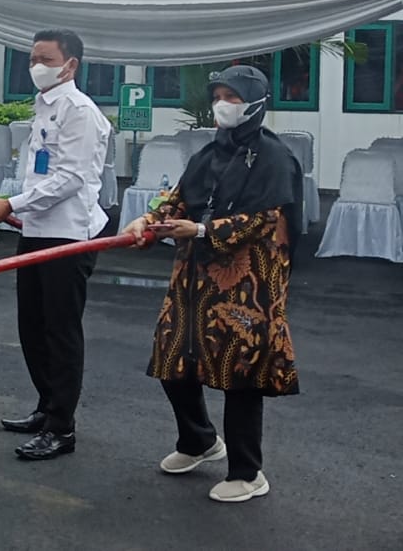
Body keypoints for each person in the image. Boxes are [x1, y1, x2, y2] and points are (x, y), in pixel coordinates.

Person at [120, 65, 301, 503]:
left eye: (233, 97)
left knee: (241, 372)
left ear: (256, 104)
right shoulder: (208, 153)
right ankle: (198, 440)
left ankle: (247, 471)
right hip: (192, 282)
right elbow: (179, 198)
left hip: (248, 285)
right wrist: (151, 218)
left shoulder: (276, 158)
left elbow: (266, 219)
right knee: (172, 356)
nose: (224, 105)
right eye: (219, 95)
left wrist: (202, 232)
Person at [0, 28, 111, 461]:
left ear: (70, 65)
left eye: (45, 59)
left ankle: (62, 427)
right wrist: (19, 209)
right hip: (35, 229)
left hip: (69, 234)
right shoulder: (43, 107)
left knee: (60, 332)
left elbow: (71, 178)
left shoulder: (80, 111)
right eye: (33, 58)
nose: (36, 66)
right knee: (32, 326)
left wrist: (12, 203)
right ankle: (46, 405)